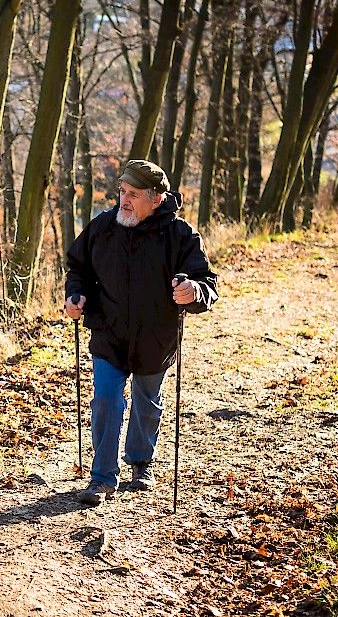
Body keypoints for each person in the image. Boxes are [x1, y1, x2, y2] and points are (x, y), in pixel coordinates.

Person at [64, 159, 218, 505]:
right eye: (122, 192)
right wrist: (75, 296)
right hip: (109, 333)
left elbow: (207, 284)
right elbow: (77, 267)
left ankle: (140, 463)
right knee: (106, 400)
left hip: (156, 336)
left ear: (157, 198)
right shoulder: (103, 227)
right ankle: (102, 477)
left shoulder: (181, 235)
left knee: (146, 403)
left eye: (133, 195)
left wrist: (193, 292)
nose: (125, 200)